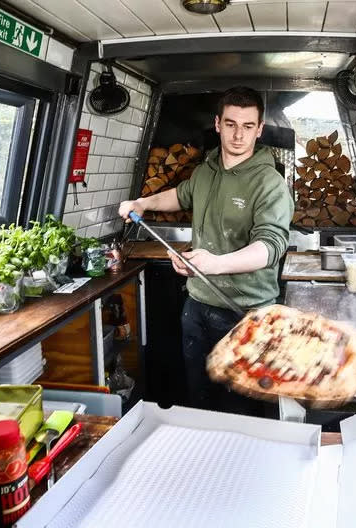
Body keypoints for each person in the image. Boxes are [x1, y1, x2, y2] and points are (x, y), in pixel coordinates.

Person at [119, 86, 293, 414]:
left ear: (259, 130)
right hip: (197, 307)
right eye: (230, 124)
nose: (238, 135)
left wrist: (215, 264)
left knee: (240, 410)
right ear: (217, 124)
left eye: (246, 126)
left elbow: (270, 248)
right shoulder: (206, 170)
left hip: (245, 314)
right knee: (199, 398)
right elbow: (180, 196)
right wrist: (143, 202)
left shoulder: (270, 183)